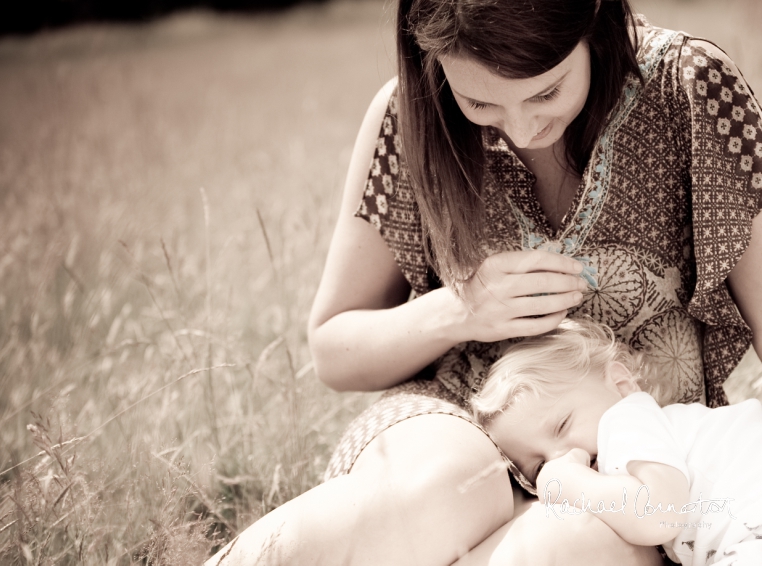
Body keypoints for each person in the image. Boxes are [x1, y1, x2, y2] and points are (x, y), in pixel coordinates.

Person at [206, 0, 762, 563]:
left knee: (561, 548)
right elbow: (334, 349)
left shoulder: (690, 86)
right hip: (450, 423)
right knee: (434, 490)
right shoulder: (409, 113)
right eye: (480, 101)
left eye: (546, 92)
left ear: (593, 17)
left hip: (635, 471)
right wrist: (459, 311)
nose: (523, 127)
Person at [473, 317, 762, 566]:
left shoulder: (626, 419)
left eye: (562, 425)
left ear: (621, 386)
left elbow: (661, 515)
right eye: (539, 467)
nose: (562, 458)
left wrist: (570, 483)